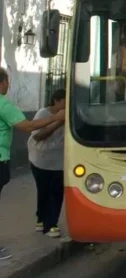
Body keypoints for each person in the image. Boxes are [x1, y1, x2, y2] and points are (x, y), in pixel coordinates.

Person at [0, 67, 64, 261]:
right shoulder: (3, 104)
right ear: (2, 83)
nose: (9, 85)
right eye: (7, 82)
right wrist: (55, 118)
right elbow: (28, 127)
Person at [27, 89, 66, 238]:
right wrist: (58, 121)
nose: (66, 105)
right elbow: (38, 136)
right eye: (64, 102)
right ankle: (41, 219)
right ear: (56, 101)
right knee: (44, 191)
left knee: (56, 192)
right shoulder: (43, 114)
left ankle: (51, 225)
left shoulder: (70, 114)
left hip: (59, 162)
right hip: (40, 160)